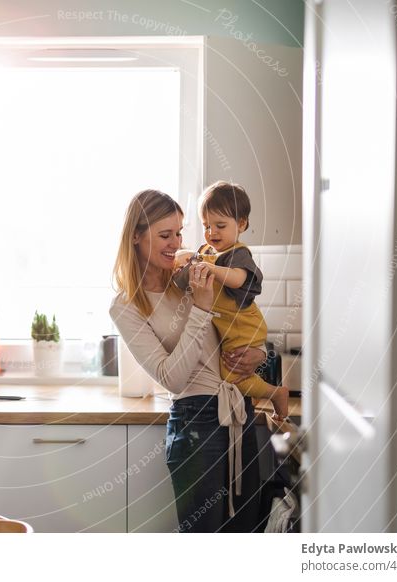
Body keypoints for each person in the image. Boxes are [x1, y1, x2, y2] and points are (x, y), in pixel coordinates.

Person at [109, 188, 267, 532]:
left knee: (248, 534)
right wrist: (201, 307)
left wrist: (260, 355)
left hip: (240, 411)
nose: (176, 242)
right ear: (136, 236)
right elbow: (172, 378)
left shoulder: (190, 275)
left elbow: (243, 321)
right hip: (197, 426)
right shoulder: (127, 306)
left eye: (179, 232)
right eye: (165, 234)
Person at [175, 181, 288, 420]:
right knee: (236, 373)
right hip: (230, 328)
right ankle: (264, 392)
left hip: (243, 326)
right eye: (206, 225)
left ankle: (275, 393)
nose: (212, 232)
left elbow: (238, 278)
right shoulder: (208, 251)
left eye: (220, 225)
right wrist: (184, 260)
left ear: (242, 224)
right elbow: (188, 272)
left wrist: (210, 269)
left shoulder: (238, 253)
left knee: (231, 374)